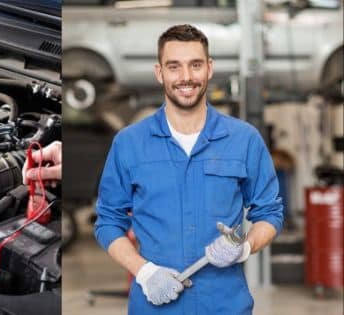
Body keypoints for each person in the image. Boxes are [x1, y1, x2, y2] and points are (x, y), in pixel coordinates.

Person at [94, 24, 283, 314]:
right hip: (155, 306)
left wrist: (244, 247)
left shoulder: (244, 139)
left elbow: (269, 213)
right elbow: (108, 221)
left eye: (195, 65)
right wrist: (144, 272)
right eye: (174, 67)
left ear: (209, 68)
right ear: (160, 73)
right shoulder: (129, 143)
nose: (186, 77)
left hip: (226, 306)